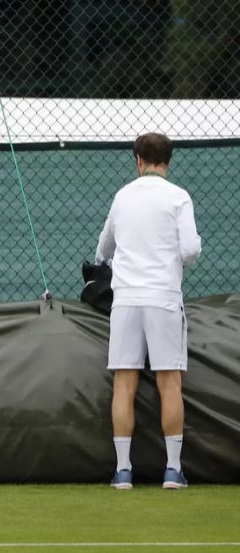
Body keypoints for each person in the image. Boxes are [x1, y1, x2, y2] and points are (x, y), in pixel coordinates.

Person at [95, 132, 202, 491]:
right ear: (168, 161)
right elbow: (189, 250)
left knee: (124, 382)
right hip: (164, 299)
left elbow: (103, 249)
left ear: (138, 159)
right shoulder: (179, 197)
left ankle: (123, 470)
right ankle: (173, 470)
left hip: (125, 299)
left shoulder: (123, 196)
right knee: (169, 381)